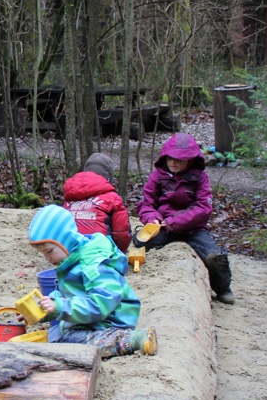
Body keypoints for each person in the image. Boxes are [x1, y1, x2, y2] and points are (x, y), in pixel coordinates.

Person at [27, 205, 156, 358]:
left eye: (49, 251)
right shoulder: (71, 260)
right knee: (56, 334)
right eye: (43, 254)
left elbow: (101, 304)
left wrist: (60, 306)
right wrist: (42, 309)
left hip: (109, 323)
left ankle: (131, 340)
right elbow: (70, 293)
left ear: (66, 241)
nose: (47, 258)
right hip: (89, 320)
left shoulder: (93, 265)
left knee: (69, 341)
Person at [135, 133, 234, 305]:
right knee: (139, 241)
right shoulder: (157, 176)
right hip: (163, 227)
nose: (173, 162)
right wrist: (153, 218)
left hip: (193, 230)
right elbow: (146, 204)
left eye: (179, 159)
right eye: (170, 158)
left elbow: (203, 209)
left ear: (190, 160)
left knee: (214, 256)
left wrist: (175, 221)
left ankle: (223, 288)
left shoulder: (200, 178)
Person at [63, 152, 132, 251]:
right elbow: (121, 234)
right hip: (98, 253)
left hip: (67, 251)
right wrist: (120, 252)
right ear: (108, 179)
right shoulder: (113, 198)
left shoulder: (70, 193)